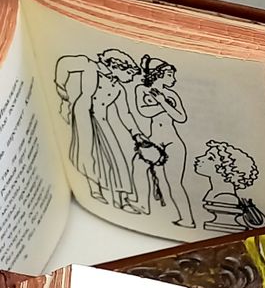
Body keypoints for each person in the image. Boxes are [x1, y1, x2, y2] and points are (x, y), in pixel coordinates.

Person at [54, 49, 143, 213]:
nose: (131, 78)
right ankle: (95, 190)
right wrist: (61, 89)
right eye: (130, 73)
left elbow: (125, 113)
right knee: (88, 154)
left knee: (117, 159)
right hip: (83, 117)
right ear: (117, 66)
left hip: (102, 122)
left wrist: (136, 133)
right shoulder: (88, 65)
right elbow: (64, 63)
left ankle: (121, 200)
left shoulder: (118, 87)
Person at [133, 56, 195, 227]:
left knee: (174, 182)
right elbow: (143, 111)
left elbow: (181, 117)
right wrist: (165, 106)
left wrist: (162, 102)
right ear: (158, 74)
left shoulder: (171, 94)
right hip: (155, 140)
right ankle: (144, 206)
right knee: (140, 168)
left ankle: (187, 219)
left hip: (172, 141)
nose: (173, 79)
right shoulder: (142, 90)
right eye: (169, 75)